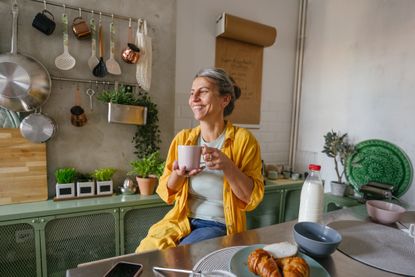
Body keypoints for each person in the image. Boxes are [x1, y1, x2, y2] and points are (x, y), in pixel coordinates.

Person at [136, 67, 264, 252]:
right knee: (145, 253)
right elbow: (166, 192)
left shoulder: (243, 140)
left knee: (182, 258)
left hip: (218, 224)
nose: (194, 98)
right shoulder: (183, 138)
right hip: (181, 220)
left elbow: (251, 199)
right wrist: (178, 174)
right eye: (191, 93)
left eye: (202, 92)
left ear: (225, 99)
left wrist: (228, 166)